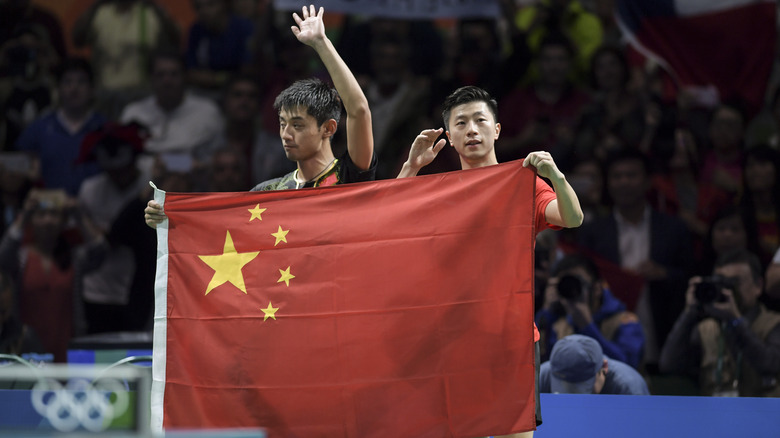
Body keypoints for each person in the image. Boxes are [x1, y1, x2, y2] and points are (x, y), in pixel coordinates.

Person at [397, 85, 584, 437]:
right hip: (451, 341)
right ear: (449, 137)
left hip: (511, 340)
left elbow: (572, 218)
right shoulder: (438, 191)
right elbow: (387, 225)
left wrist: (555, 176)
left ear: (496, 129)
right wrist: (411, 167)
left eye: (480, 120)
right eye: (461, 123)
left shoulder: (522, 184)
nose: (471, 130)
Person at [145, 5, 375, 226]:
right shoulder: (266, 193)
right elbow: (225, 230)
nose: (286, 134)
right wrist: (170, 221)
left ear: (329, 128)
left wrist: (321, 43)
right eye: (282, 124)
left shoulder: (350, 174)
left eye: (298, 125)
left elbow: (359, 110)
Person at [576, 147, 693, 372]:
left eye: (631, 175)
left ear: (648, 181)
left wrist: (664, 274)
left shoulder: (673, 228)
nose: (624, 182)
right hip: (607, 328)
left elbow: (690, 274)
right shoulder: (593, 231)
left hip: (661, 324)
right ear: (608, 183)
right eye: (617, 176)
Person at [659, 249, 780, 397]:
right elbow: (669, 365)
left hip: (761, 414)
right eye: (722, 282)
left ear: (758, 286)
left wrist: (735, 321)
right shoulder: (707, 328)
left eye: (735, 282)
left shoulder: (774, 323)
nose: (728, 290)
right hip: (714, 415)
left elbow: (770, 365)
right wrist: (689, 313)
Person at [536, 253, 645, 369]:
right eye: (566, 283)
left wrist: (587, 327)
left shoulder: (625, 322)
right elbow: (536, 363)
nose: (572, 289)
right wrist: (546, 314)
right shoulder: (557, 323)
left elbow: (627, 367)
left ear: (597, 288)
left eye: (578, 282)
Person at [15, 57, 105, 196]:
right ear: (58, 89)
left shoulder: (105, 128)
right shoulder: (40, 128)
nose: (74, 88)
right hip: (49, 210)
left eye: (81, 82)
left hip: (96, 208)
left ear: (91, 89)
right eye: (67, 82)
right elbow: (20, 166)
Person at [539, 334, 650, 395]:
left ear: (604, 368)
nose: (574, 400)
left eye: (582, 388)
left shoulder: (629, 387)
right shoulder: (540, 378)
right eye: (565, 387)